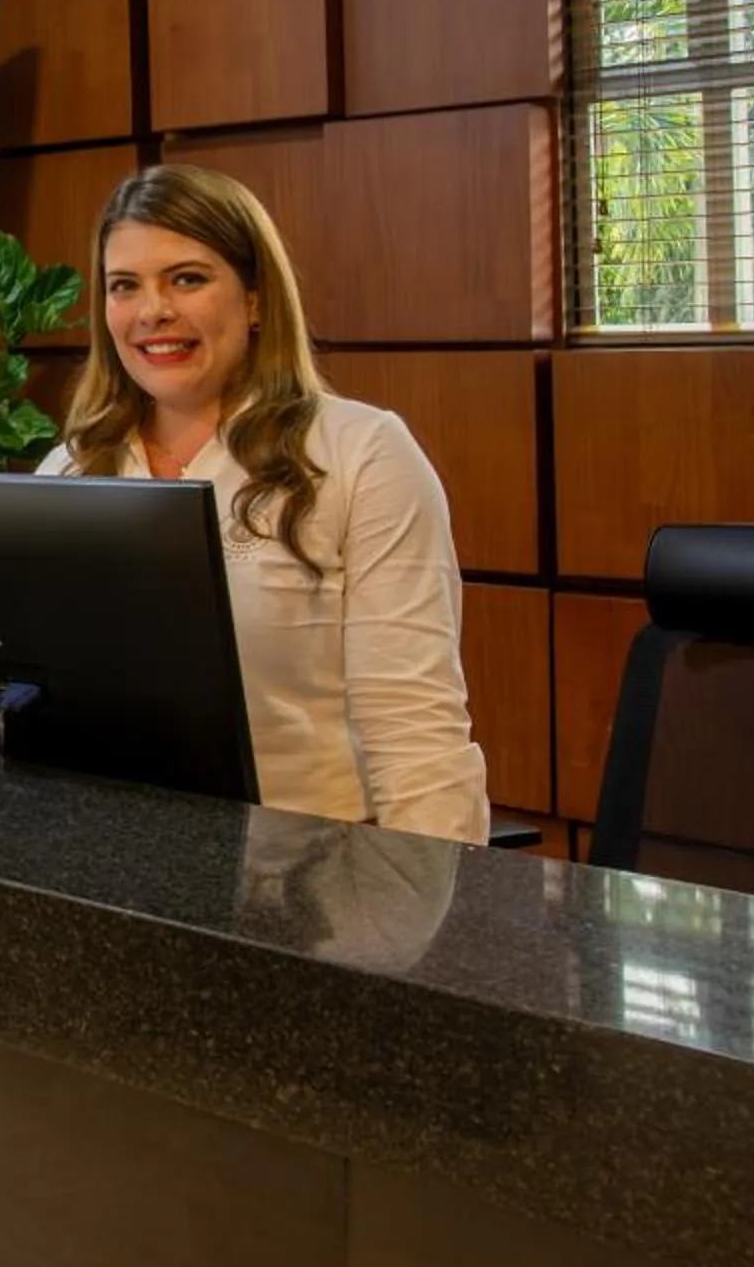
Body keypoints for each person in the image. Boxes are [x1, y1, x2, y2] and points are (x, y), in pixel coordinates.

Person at [40, 164, 490, 843]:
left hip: (319, 884)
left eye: (186, 279)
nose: (152, 310)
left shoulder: (361, 453)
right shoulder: (70, 472)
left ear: (254, 300)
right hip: (118, 869)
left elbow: (416, 732)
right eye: (124, 286)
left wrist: (426, 928)